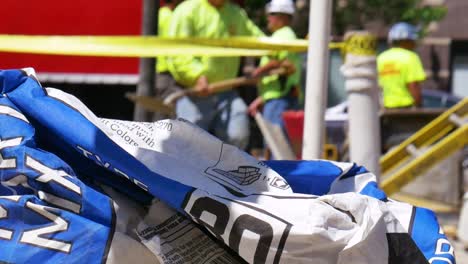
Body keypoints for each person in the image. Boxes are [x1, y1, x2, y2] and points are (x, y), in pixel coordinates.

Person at [165, 0, 264, 149]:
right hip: (193, 95)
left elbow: (256, 39)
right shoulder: (187, 10)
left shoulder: (236, 13)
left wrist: (281, 53)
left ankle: (228, 171)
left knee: (238, 136)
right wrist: (196, 76)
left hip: (227, 93)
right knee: (189, 146)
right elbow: (177, 51)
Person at [247, 0, 301, 132]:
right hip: (276, 98)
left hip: (280, 100)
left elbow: (281, 63)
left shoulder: (285, 34)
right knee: (275, 145)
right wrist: (261, 99)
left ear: (282, 17)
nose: (268, 18)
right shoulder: (282, 35)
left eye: (271, 14)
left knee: (277, 146)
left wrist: (258, 71)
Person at [377, 22, 426, 109]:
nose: (414, 43)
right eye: (413, 40)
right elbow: (413, 85)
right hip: (405, 110)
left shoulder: (381, 58)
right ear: (406, 40)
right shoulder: (410, 57)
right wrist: (419, 106)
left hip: (385, 109)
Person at [153, 0, 184, 106]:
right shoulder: (172, 16)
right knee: (166, 108)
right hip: (168, 70)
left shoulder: (160, 13)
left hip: (162, 69)